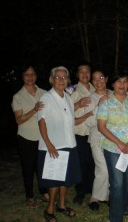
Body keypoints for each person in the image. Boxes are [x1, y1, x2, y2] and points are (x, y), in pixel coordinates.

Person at [97, 73, 128, 222]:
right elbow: (101, 127)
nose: (122, 84)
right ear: (112, 84)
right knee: (117, 185)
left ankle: (122, 207)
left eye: (125, 81)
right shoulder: (106, 103)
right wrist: (119, 143)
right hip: (113, 148)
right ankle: (115, 218)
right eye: (118, 81)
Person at [37, 66, 81, 222]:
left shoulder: (68, 98)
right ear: (52, 80)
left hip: (69, 144)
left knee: (66, 179)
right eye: (58, 77)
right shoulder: (45, 98)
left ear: (68, 80)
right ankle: (49, 209)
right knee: (54, 180)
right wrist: (48, 144)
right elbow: (41, 122)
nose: (61, 80)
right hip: (53, 146)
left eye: (64, 77)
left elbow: (70, 120)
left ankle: (61, 205)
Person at [11, 64, 48, 209]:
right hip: (26, 137)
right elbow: (19, 120)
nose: (30, 77)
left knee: (42, 167)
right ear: (22, 77)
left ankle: (44, 192)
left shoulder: (44, 93)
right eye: (27, 74)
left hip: (42, 136)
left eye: (32, 74)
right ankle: (30, 196)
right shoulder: (18, 97)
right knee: (28, 168)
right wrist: (34, 109)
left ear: (36, 76)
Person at [84, 69, 112, 211]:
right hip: (96, 138)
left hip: (113, 138)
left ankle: (106, 195)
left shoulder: (114, 94)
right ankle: (95, 197)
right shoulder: (89, 98)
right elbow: (88, 122)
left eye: (101, 77)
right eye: (94, 79)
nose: (98, 81)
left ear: (106, 78)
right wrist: (99, 105)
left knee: (108, 169)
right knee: (103, 169)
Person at [71, 61, 96, 205]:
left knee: (93, 162)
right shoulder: (72, 90)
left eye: (87, 71)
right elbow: (65, 110)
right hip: (79, 132)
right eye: (81, 71)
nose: (85, 74)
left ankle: (94, 190)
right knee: (81, 162)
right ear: (77, 74)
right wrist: (78, 104)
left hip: (94, 132)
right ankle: (80, 192)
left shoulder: (96, 88)